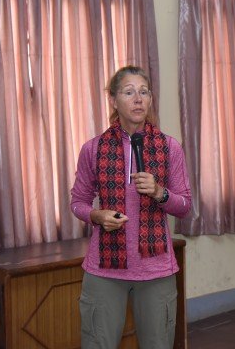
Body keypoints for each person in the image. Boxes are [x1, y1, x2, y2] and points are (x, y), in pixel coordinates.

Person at [70, 66, 192, 348]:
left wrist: (161, 193)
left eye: (144, 92)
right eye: (128, 92)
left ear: (150, 100)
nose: (138, 99)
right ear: (113, 100)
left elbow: (185, 206)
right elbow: (78, 202)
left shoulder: (169, 147)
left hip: (156, 271)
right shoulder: (93, 148)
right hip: (104, 270)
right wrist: (96, 216)